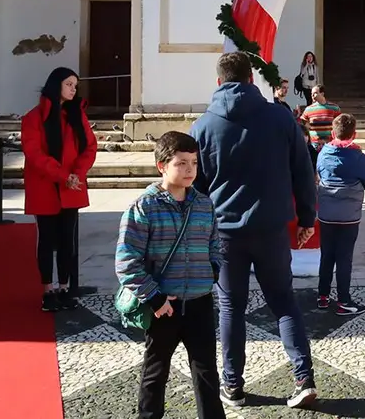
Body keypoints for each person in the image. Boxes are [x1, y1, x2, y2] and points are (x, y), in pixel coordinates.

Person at [191, 52, 319, 409]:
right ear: (251, 79)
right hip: (271, 227)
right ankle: (303, 378)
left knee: (231, 308)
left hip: (225, 232)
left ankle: (232, 386)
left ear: (219, 83)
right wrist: (307, 218)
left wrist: (197, 232)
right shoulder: (280, 118)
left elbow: (195, 187)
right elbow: (303, 171)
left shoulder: (203, 126)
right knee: (284, 303)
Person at [116, 132, 226, 419]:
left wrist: (212, 269)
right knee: (156, 371)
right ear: (162, 166)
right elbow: (127, 261)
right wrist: (155, 298)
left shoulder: (204, 204)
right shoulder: (144, 207)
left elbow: (215, 243)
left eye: (194, 163)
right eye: (181, 163)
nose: (190, 170)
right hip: (164, 304)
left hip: (200, 300)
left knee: (206, 373)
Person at [21, 67, 98, 312]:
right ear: (56, 85)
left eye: (75, 85)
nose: (74, 89)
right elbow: (34, 154)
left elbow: (90, 147)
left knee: (67, 241)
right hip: (46, 186)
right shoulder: (33, 118)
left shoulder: (77, 115)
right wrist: (64, 176)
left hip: (71, 187)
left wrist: (77, 174)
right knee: (46, 240)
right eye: (69, 84)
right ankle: (47, 290)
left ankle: (64, 287)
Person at [314, 113, 365, 316]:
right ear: (354, 134)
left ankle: (322, 296)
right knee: (344, 258)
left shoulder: (323, 153)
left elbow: (319, 173)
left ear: (332, 132)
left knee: (326, 255)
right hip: (349, 216)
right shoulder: (359, 157)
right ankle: (344, 300)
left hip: (327, 213)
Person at [300, 85, 341, 151]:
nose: (312, 95)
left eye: (315, 93)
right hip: (314, 145)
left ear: (322, 93)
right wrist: (309, 128)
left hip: (330, 144)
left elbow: (339, 124)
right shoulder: (309, 109)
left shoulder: (334, 108)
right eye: (311, 94)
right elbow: (303, 120)